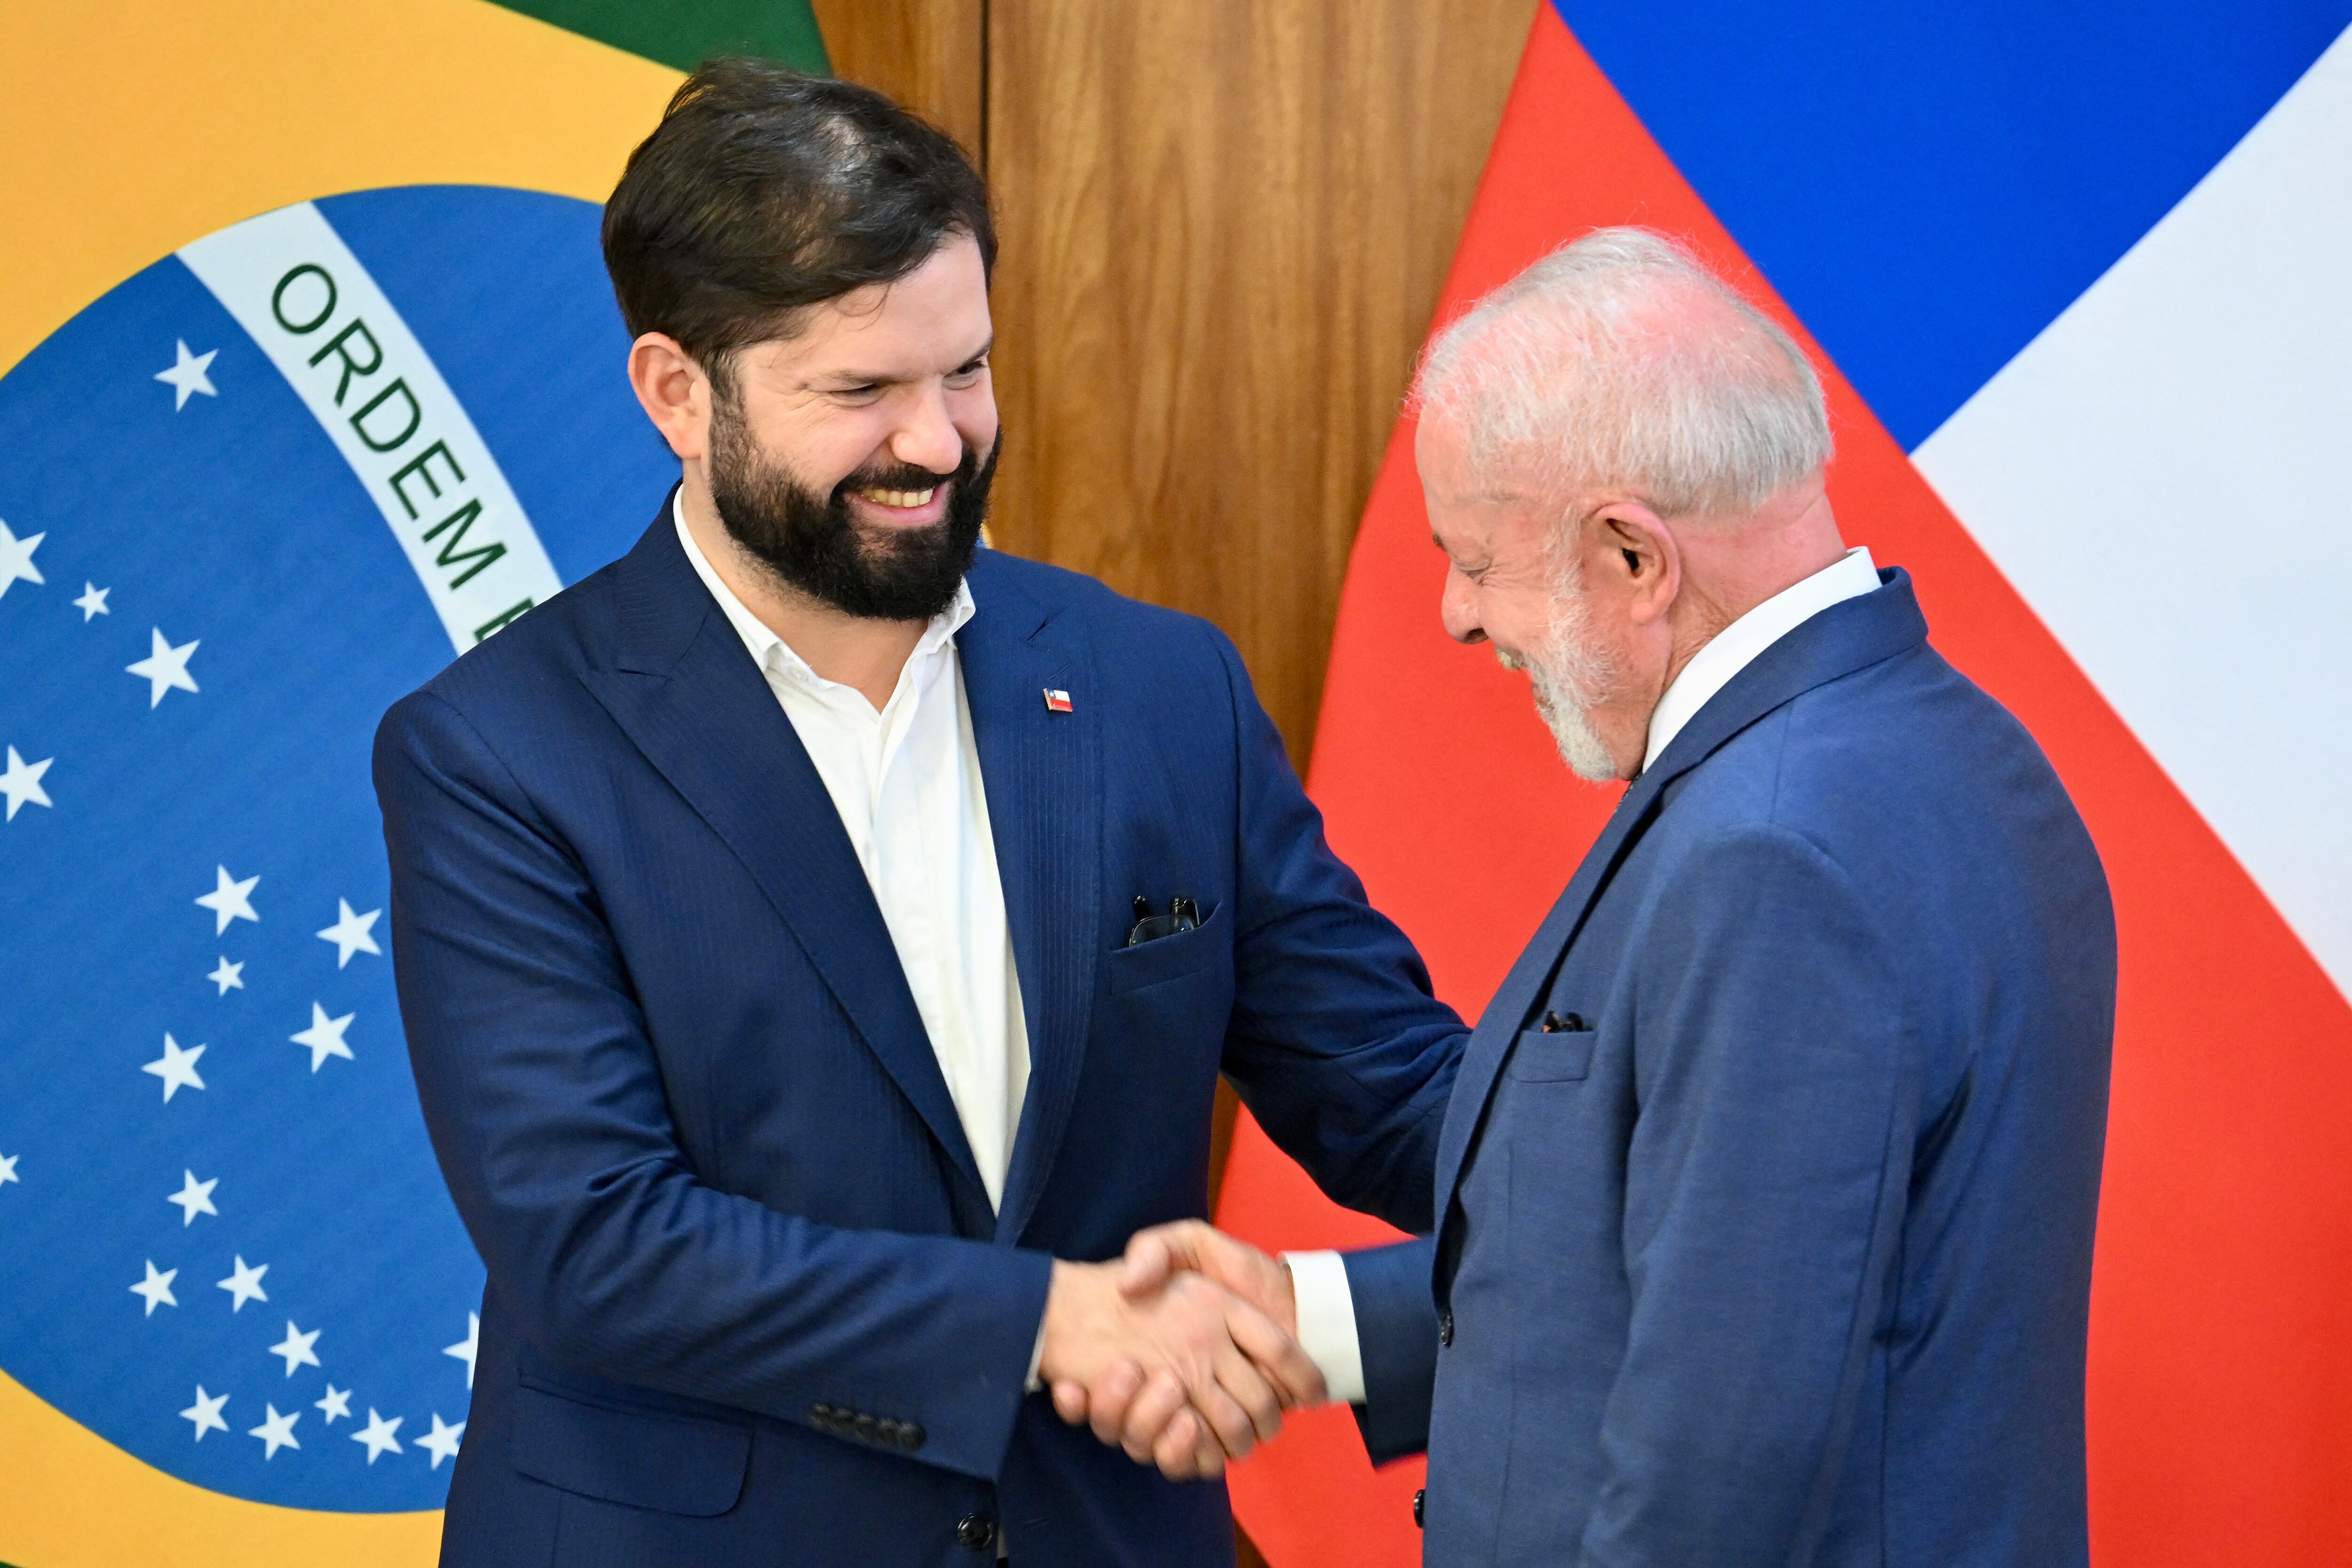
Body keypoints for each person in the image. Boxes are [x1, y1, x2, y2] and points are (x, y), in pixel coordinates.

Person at [372, 62, 1465, 1567]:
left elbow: (1396, 1093)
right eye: (863, 391)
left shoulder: (1162, 689)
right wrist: (1048, 1322)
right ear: (678, 394)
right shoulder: (497, 754)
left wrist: (1658, 1163)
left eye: (966, 370)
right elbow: (597, 1242)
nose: (941, 444)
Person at [1097, 228, 2117, 1566]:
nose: (1461, 616)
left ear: (1634, 560)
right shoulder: (1950, 749)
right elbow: (1729, 1276)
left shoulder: (1772, 855)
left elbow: (1724, 1466)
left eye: (1476, 557)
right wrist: (1320, 1326)